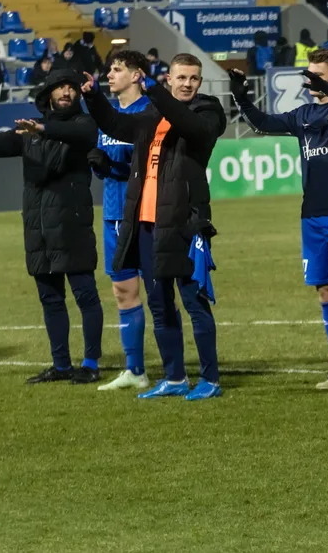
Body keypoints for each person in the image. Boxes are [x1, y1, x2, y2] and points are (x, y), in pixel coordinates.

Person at [82, 53, 227, 400]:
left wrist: (155, 92)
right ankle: (175, 378)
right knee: (160, 304)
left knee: (194, 303)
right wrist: (94, 96)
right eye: (181, 77)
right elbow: (116, 125)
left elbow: (189, 126)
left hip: (185, 223)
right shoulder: (151, 114)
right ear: (170, 78)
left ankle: (210, 379)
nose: (187, 84)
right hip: (147, 224)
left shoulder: (207, 111)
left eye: (193, 78)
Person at [0, 73, 104, 385]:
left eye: (71, 88)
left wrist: (42, 129)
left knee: (85, 295)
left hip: (72, 225)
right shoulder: (30, 132)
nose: (66, 92)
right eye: (60, 87)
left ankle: (90, 364)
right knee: (50, 299)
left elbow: (81, 134)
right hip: (38, 229)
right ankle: (61, 365)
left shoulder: (83, 124)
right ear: (48, 94)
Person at [235, 51, 328, 391]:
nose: (310, 80)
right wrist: (241, 96)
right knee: (326, 291)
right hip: (312, 217)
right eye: (309, 74)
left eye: (318, 75)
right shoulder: (302, 115)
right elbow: (263, 123)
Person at [86, 52, 154, 391]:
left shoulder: (150, 112)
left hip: (145, 213)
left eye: (117, 69)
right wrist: (102, 166)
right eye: (109, 70)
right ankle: (135, 370)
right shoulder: (107, 117)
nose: (110, 75)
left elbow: (150, 167)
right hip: (113, 213)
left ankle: (176, 369)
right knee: (122, 290)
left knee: (158, 292)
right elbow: (113, 168)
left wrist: (117, 165)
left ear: (137, 75)